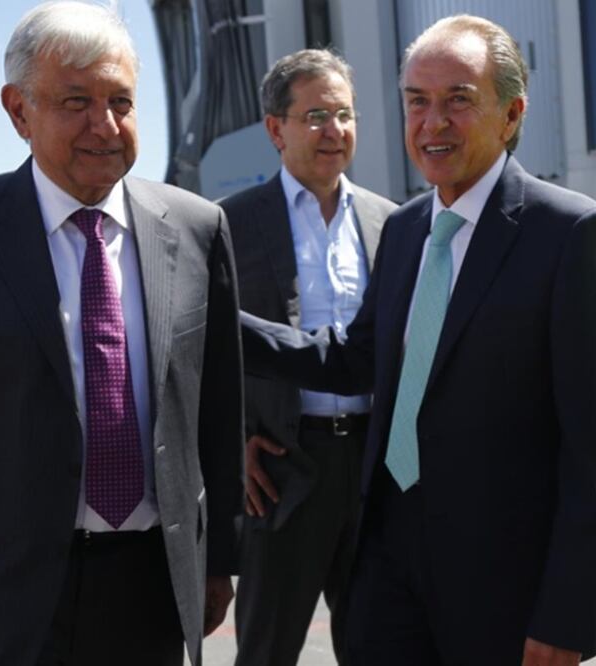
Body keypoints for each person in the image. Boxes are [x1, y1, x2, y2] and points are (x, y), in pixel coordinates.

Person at [241, 15, 596, 665]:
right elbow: (353, 358)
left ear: (510, 114)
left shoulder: (568, 235)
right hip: (388, 569)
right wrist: (211, 319)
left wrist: (568, 616)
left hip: (504, 589)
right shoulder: (404, 231)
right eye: (416, 102)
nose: (432, 123)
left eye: (458, 100)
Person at [0, 3, 243, 664]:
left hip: (151, 587)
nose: (103, 126)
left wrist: (217, 562)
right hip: (3, 595)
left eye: (121, 101)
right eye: (75, 100)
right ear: (19, 111)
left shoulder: (198, 228)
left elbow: (214, 413)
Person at [220, 49, 395, 666]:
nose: (335, 131)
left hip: (375, 470)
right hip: (281, 470)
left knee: (380, 645)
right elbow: (200, 348)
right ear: (276, 129)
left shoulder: (392, 224)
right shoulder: (228, 225)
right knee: (266, 651)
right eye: (316, 115)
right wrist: (233, 440)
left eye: (345, 115)